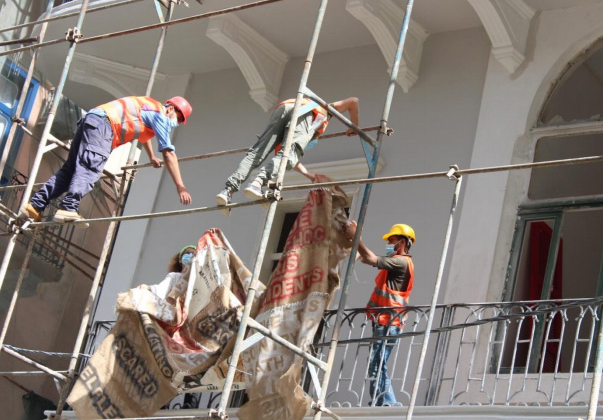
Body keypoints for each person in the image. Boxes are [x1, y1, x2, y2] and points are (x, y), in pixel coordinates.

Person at [21, 96, 193, 226]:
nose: (176, 122)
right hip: (105, 126)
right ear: (171, 108)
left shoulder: (151, 107)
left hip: (92, 121)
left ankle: (35, 205)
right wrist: (180, 185)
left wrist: (150, 156)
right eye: (178, 118)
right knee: (90, 169)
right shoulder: (161, 115)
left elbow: (143, 135)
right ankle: (68, 208)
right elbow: (169, 153)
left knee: (70, 171)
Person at [216, 96, 359, 208]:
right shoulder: (325, 113)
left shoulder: (286, 138)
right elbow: (353, 101)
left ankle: (227, 191)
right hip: (306, 111)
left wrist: (307, 174)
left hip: (285, 107)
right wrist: (354, 125)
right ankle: (257, 184)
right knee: (287, 155)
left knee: (257, 153)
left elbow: (286, 160)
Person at [344, 221, 416, 407]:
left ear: (403, 241)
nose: (390, 244)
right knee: (377, 362)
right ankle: (381, 400)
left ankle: (387, 402)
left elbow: (369, 258)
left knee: (377, 363)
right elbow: (365, 257)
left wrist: (357, 235)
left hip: (389, 322)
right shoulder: (395, 263)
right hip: (385, 322)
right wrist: (352, 240)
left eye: (392, 240)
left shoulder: (401, 262)